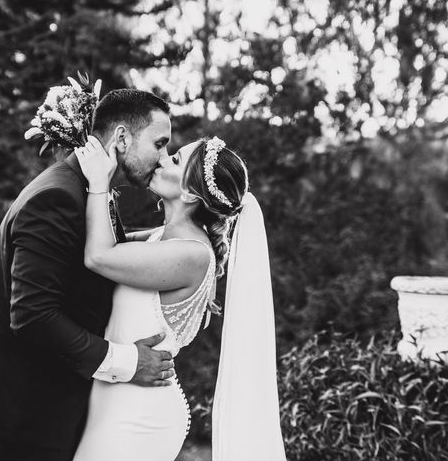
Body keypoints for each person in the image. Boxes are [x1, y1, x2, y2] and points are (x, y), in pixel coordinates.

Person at [0, 89, 177, 461]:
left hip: (46, 408)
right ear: (121, 137)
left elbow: (105, 254)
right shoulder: (56, 198)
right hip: (18, 417)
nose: (164, 158)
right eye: (160, 143)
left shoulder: (89, 193)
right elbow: (33, 316)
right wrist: (129, 363)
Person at [71, 135, 287, 460]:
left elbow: (99, 257)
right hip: (115, 397)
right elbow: (99, 239)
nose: (161, 159)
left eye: (174, 160)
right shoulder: (160, 237)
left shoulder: (193, 255)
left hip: (140, 413)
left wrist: (99, 181)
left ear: (189, 192)